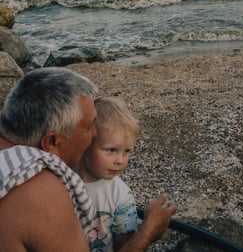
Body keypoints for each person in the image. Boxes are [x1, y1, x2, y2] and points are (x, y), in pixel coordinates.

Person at [0, 67, 176, 252]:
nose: (94, 134)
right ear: (53, 141)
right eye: (89, 126)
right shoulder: (40, 188)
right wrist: (148, 231)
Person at [79, 97, 143, 251]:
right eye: (111, 150)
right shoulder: (59, 182)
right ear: (86, 143)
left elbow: (124, 244)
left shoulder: (121, 194)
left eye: (127, 151)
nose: (120, 160)